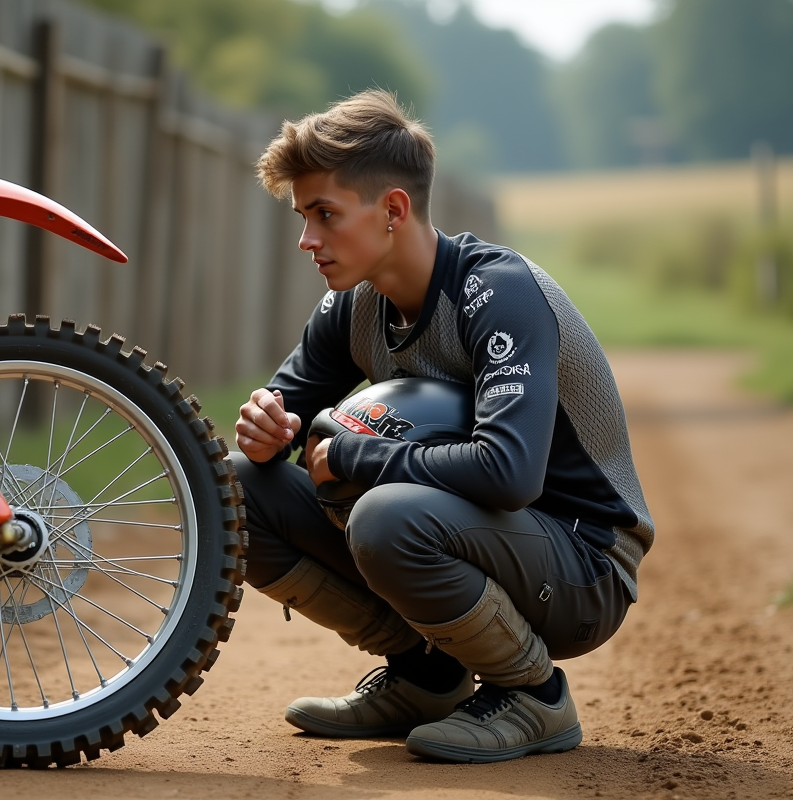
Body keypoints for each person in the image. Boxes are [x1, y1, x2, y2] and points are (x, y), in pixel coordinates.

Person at [232, 89, 653, 763]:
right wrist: (264, 429)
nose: (307, 239)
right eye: (302, 216)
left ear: (393, 209)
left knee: (386, 514)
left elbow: (509, 473)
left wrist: (357, 460)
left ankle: (534, 695)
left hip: (582, 564)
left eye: (324, 214)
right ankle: (427, 677)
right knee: (237, 492)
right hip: (470, 535)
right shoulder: (352, 306)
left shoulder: (500, 292)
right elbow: (283, 418)